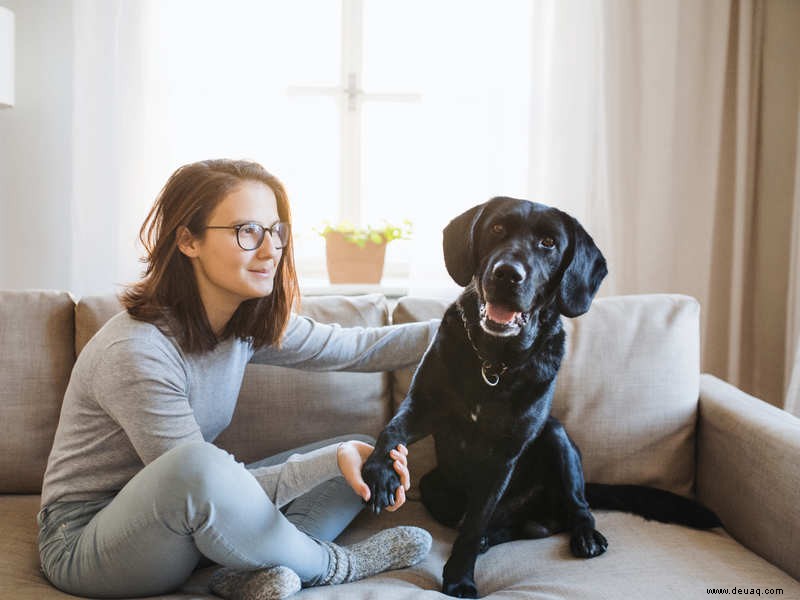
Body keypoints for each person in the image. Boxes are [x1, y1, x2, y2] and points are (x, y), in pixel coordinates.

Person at [37, 159, 437, 600]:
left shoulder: (240, 324)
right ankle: (331, 564)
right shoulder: (137, 352)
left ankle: (251, 573)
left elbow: (362, 348)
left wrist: (477, 324)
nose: (270, 251)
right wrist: (328, 459)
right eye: (247, 231)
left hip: (188, 521)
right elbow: (201, 483)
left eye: (276, 231)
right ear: (188, 240)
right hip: (91, 542)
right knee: (200, 464)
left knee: (359, 452)